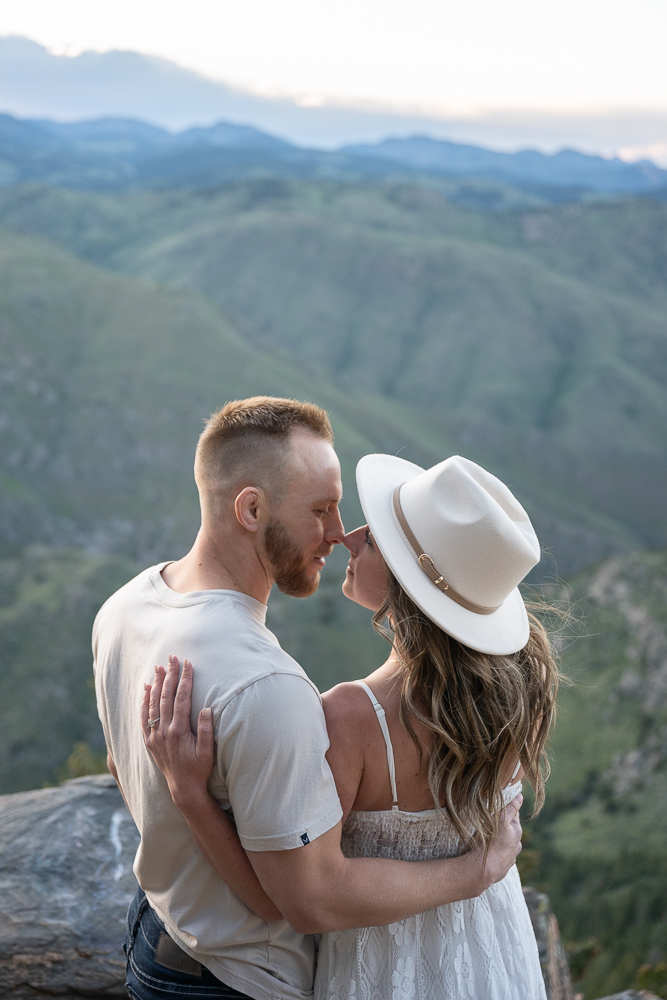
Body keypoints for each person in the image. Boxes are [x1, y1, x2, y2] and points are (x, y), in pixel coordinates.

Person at [93, 397, 523, 1000]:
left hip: (159, 932)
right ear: (251, 509)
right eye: (322, 510)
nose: (339, 533)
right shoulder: (271, 691)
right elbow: (309, 900)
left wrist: (187, 793)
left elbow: (122, 764)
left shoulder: (123, 607)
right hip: (237, 977)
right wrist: (479, 871)